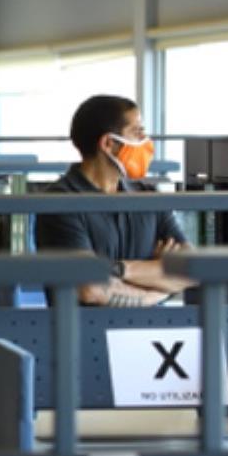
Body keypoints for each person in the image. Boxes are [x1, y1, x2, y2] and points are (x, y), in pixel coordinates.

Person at [35, 94, 192, 306]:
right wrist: (156, 291)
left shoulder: (148, 196)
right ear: (108, 143)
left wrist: (119, 269)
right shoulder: (60, 202)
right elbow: (90, 289)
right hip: (83, 335)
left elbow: (191, 270)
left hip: (150, 334)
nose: (146, 143)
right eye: (137, 133)